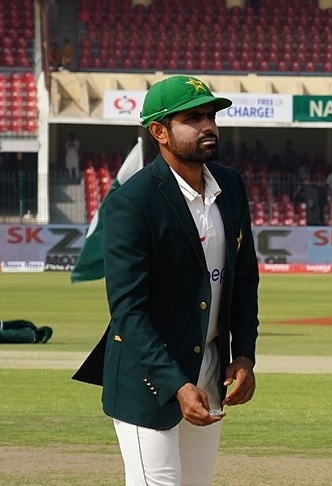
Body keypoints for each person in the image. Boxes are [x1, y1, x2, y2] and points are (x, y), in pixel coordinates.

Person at [73, 75, 259, 485]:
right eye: (193, 118)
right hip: (147, 378)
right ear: (158, 131)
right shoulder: (132, 202)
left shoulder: (230, 183)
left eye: (211, 115)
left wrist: (244, 354)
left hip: (209, 371)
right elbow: (128, 310)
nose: (209, 125)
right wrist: (175, 384)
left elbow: (244, 278)